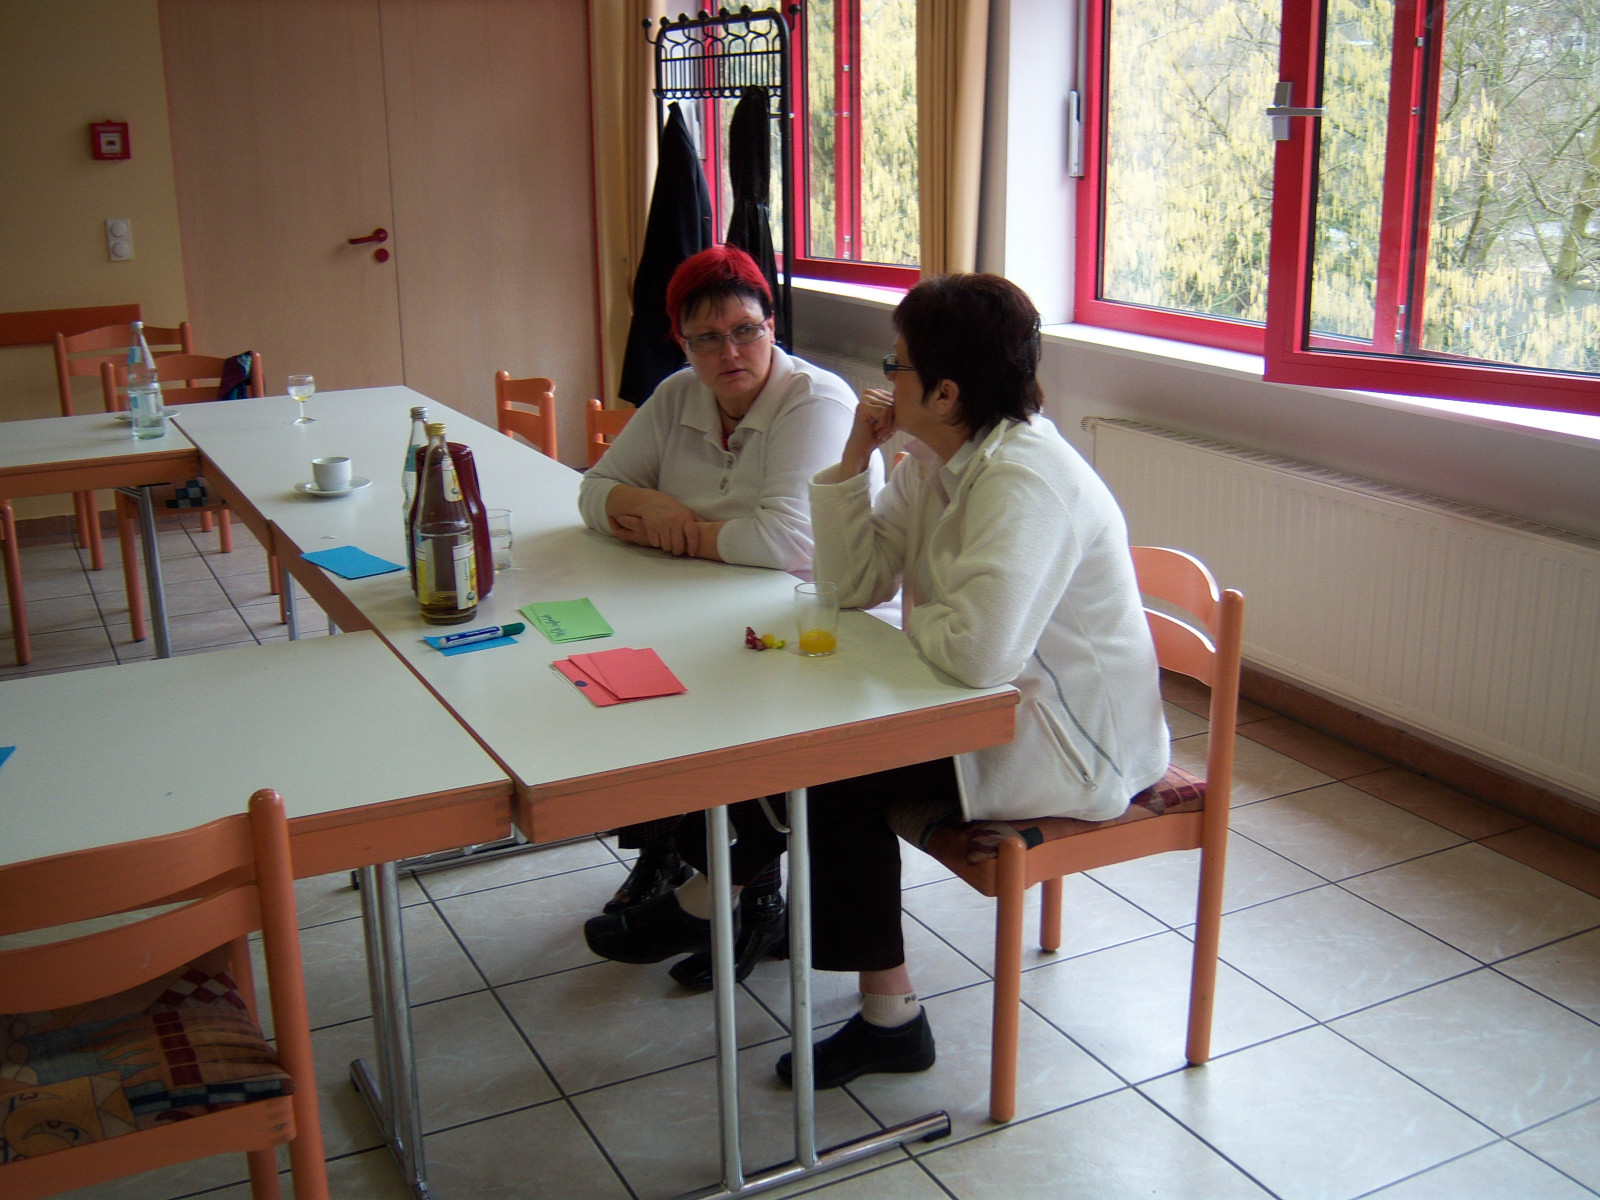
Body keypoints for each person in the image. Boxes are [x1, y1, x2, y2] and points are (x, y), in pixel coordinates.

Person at [586, 272, 1169, 1087]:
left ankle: (746, 924)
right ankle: (740, 918)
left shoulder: (1025, 480)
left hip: (1073, 744)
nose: (884, 379)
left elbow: (978, 653)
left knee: (836, 767)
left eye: (898, 365)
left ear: (946, 391)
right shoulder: (936, 460)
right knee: (806, 740)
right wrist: (855, 461)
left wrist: (919, 619)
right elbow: (851, 584)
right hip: (995, 708)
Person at [579, 244, 873, 988]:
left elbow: (790, 543)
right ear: (682, 343)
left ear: (772, 326)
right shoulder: (679, 393)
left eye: (746, 330)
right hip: (703, 604)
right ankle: (694, 870)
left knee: (717, 710)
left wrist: (679, 532)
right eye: (707, 338)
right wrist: (644, 503)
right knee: (631, 686)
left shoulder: (817, 402)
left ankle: (736, 895)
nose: (730, 352)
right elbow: (593, 491)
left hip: (811, 625)